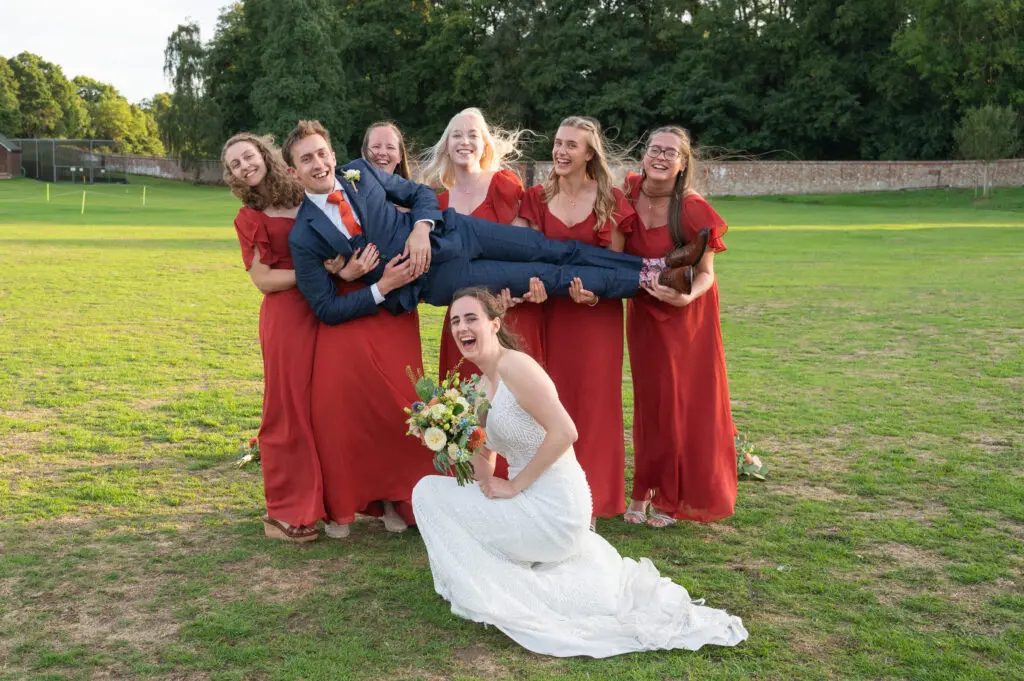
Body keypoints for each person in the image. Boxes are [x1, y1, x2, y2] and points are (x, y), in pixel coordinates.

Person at [412, 288, 748, 657]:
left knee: (427, 491)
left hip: (555, 508)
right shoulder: (476, 389)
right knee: (439, 492)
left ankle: (489, 588)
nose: (462, 327)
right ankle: (489, 580)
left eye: (471, 318)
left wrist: (516, 485)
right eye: (455, 321)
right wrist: (457, 435)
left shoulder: (516, 367)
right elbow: (486, 469)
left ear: (494, 323)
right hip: (527, 500)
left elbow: (566, 433)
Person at [282, 120, 708, 328]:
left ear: (333, 154)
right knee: (549, 275)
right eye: (307, 159)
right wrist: (382, 287)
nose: (319, 163)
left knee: (551, 247)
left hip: (456, 230)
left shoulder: (360, 170)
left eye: (322, 153)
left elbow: (420, 195)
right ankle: (654, 284)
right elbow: (325, 309)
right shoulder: (305, 234)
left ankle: (654, 267)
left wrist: (421, 228)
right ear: (293, 171)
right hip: (442, 277)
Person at [516, 116, 631, 529]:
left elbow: (614, 268)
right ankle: (548, 496)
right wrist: (529, 284)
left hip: (593, 318)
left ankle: (591, 501)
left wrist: (596, 293)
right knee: (546, 402)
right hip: (544, 314)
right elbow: (518, 256)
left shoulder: (610, 200)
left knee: (592, 404)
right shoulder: (533, 198)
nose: (561, 151)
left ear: (589, 154)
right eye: (558, 143)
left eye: (572, 145)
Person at [623, 126, 739, 526]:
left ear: (683, 162)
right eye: (654, 149)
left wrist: (688, 297)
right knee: (648, 404)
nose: (660, 156)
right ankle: (641, 492)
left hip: (685, 317)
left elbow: (706, 273)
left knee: (677, 404)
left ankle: (670, 498)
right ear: (643, 154)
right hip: (642, 314)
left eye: (670, 152)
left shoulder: (692, 208)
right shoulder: (627, 193)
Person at [222, 133, 323, 542]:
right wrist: (315, 276)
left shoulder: (303, 192)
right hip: (286, 318)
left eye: (249, 156)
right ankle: (283, 513)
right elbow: (263, 280)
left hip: (326, 309)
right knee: (288, 409)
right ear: (233, 177)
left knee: (322, 406)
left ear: (264, 154)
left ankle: (327, 503)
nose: (245, 166)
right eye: (235, 165)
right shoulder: (249, 217)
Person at [420, 107, 546, 383]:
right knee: (464, 411)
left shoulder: (503, 186)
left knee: (515, 408)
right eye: (457, 135)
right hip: (462, 321)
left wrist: (511, 294)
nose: (464, 141)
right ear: (446, 146)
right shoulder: (438, 206)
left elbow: (522, 251)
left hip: (511, 313)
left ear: (484, 145)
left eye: (472, 135)